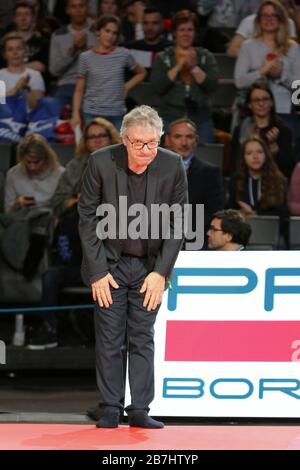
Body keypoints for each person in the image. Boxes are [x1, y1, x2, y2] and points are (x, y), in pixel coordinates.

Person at [78, 105, 188, 428]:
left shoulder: (172, 164)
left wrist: (161, 273)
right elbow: (86, 218)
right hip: (109, 265)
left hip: (149, 267)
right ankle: (110, 406)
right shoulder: (100, 161)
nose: (146, 150)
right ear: (125, 139)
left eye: (152, 143)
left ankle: (139, 408)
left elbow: (179, 223)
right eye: (139, 143)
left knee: (143, 335)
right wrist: (97, 271)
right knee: (110, 336)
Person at [233, 0, 300, 143]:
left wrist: (281, 76)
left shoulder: (293, 48)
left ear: (281, 19)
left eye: (273, 15)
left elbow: (298, 87)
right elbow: (239, 81)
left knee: (286, 157)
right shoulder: (248, 46)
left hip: (284, 110)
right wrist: (261, 71)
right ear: (259, 19)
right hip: (254, 112)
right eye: (265, 15)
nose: (269, 19)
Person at [150, 9, 218, 144]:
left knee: (206, 157)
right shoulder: (163, 58)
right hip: (170, 115)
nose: (186, 34)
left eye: (190, 30)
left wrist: (194, 67)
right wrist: (179, 65)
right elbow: (158, 86)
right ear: (174, 33)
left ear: (195, 33)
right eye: (182, 30)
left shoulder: (206, 57)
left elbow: (211, 86)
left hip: (200, 117)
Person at [71, 14, 146, 131]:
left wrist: (127, 86)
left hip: (116, 113)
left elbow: (141, 73)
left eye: (114, 33)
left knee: (116, 149)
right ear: (98, 32)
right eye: (107, 31)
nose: (110, 36)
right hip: (92, 113)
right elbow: (79, 90)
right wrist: (75, 114)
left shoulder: (123, 54)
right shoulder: (85, 57)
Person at [164, 118, 224, 239]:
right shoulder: (152, 171)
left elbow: (214, 211)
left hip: (196, 239)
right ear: (167, 140)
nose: (184, 143)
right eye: (178, 137)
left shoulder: (210, 173)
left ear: (196, 141)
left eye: (189, 137)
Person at [231, 81, 295, 178]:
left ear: (271, 103)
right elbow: (235, 164)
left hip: (274, 183)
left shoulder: (283, 130)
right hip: (246, 181)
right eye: (256, 100)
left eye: (265, 99)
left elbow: (287, 168)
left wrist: (274, 147)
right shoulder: (241, 130)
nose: (261, 104)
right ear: (250, 105)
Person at [49, 0, 96, 109]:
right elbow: (54, 70)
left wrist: (85, 48)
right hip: (67, 84)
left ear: (88, 8)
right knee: (54, 114)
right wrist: (73, 50)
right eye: (73, 7)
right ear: (68, 10)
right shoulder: (58, 34)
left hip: (92, 85)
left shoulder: (97, 32)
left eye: (81, 6)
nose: (78, 10)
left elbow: (103, 66)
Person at [0, 32, 45, 111]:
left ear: (25, 52)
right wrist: (15, 90)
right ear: (5, 54)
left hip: (29, 120)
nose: (15, 53)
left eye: (19, 48)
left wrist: (25, 88)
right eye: (10, 49)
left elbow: (37, 106)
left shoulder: (35, 75)